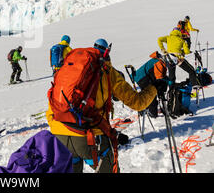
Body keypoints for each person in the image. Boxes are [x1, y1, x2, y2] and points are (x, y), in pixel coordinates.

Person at [46, 38, 162, 173]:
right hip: (90, 138)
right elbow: (137, 103)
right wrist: (154, 88)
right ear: (107, 52)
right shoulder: (107, 71)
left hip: (59, 133)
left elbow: (53, 105)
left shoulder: (70, 67)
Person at [133, 51, 170, 118]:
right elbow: (158, 78)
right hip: (141, 77)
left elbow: (161, 77)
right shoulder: (159, 63)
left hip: (143, 76)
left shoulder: (160, 61)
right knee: (151, 95)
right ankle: (153, 113)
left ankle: (146, 109)